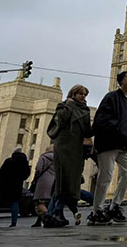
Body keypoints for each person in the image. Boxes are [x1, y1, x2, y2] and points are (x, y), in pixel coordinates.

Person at [88, 71, 127, 225]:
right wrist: (117, 131)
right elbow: (100, 119)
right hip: (108, 144)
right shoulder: (110, 97)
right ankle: (97, 210)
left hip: (124, 145)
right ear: (121, 81)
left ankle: (115, 205)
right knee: (106, 176)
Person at [42, 84, 93, 228]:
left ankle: (58, 213)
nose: (83, 96)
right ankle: (57, 212)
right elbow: (60, 120)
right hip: (64, 147)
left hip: (77, 149)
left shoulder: (85, 110)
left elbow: (87, 130)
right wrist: (69, 106)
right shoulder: (63, 106)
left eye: (85, 94)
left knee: (73, 181)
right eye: (80, 94)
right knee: (63, 179)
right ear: (73, 94)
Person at [0, 148, 31, 228]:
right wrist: (21, 179)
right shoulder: (24, 163)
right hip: (17, 186)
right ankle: (14, 223)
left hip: (5, 186)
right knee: (15, 203)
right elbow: (27, 174)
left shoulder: (9, 161)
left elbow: (0, 173)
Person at [29, 143, 56, 227]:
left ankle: (50, 218)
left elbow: (38, 169)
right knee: (47, 202)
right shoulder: (58, 158)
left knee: (39, 202)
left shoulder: (44, 157)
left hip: (43, 182)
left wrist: (35, 178)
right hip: (54, 182)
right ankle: (39, 221)